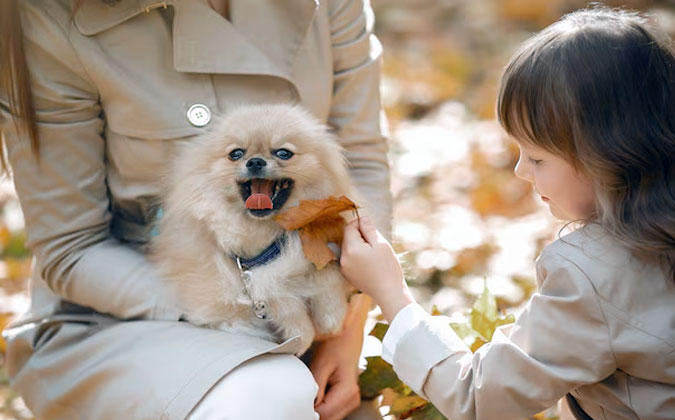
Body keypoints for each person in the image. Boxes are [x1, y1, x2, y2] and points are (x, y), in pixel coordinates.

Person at [0, 0, 392, 419]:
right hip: (136, 310)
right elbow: (72, 249)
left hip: (318, 295)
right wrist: (258, 305)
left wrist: (346, 322)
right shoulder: (48, 15)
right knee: (269, 397)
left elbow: (360, 166)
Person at [340, 7, 675, 420]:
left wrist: (392, 295)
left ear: (609, 153)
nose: (520, 172)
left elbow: (476, 397)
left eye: (536, 157)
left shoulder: (594, 274)